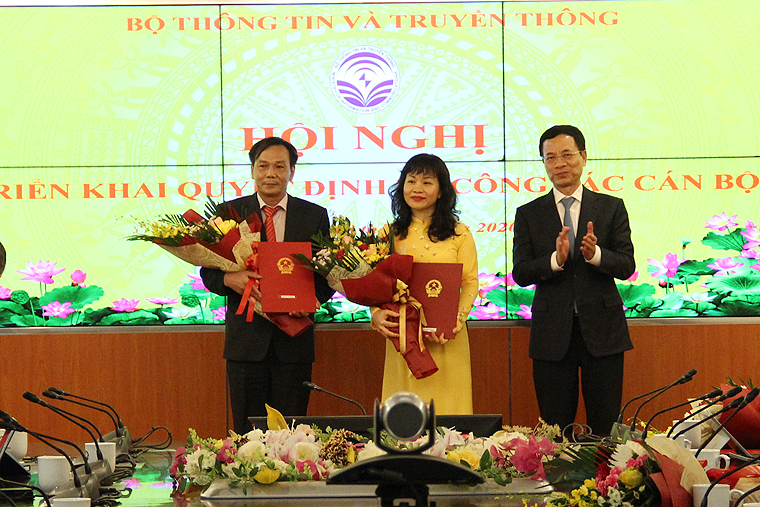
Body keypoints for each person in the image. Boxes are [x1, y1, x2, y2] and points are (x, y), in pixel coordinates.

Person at [200, 137, 334, 434]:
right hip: (247, 345)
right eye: (263, 166)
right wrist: (230, 279)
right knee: (248, 434)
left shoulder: (314, 216)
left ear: (292, 172)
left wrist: (311, 301)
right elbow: (208, 273)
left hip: (294, 344)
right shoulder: (229, 213)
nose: (270, 173)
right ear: (252, 171)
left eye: (279, 167)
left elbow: (328, 275)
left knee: (293, 434)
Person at [512, 125, 635, 437]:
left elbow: (626, 265)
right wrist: (556, 260)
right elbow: (521, 273)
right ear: (544, 163)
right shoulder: (529, 214)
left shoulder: (611, 207)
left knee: (605, 430)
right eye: (551, 157)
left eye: (567, 155)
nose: (560, 164)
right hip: (552, 334)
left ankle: (604, 472)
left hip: (603, 332)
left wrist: (596, 255)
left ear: (583, 156)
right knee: (555, 431)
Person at [371, 154, 478, 414]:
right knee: (404, 417)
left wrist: (456, 320)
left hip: (446, 340)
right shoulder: (389, 234)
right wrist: (375, 314)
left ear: (441, 191)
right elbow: (375, 285)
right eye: (411, 181)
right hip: (403, 339)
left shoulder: (460, 233)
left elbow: (470, 282)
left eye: (427, 182)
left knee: (449, 416)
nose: (417, 188)